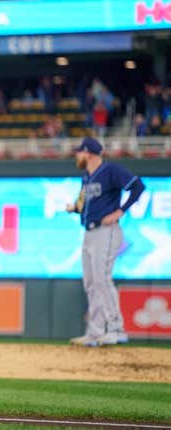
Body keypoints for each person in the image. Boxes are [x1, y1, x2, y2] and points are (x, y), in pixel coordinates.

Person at [66, 137, 145, 347]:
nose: (77, 156)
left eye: (79, 152)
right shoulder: (87, 177)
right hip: (89, 232)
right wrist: (74, 207)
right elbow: (84, 205)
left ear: (89, 153)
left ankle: (116, 329)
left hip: (107, 231)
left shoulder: (110, 171)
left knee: (102, 280)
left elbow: (138, 186)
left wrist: (121, 210)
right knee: (91, 283)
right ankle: (95, 331)